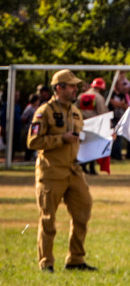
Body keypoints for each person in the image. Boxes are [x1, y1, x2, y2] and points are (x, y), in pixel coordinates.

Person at [26, 69, 96, 273]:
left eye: (75, 86)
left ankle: (75, 260)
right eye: (72, 86)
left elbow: (80, 138)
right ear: (59, 88)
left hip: (74, 171)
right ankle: (46, 263)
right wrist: (60, 139)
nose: (76, 89)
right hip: (51, 173)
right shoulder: (44, 112)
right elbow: (32, 141)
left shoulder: (75, 111)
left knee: (83, 212)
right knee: (48, 219)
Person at [78, 77, 109, 174]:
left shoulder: (81, 96)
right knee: (94, 147)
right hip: (94, 124)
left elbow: (75, 109)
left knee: (84, 146)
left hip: (82, 124)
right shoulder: (99, 98)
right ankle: (91, 167)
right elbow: (102, 112)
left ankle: (83, 165)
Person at [21, 93, 41, 161]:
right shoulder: (29, 108)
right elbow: (23, 117)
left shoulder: (37, 108)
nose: (39, 102)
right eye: (38, 100)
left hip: (36, 129)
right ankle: (27, 158)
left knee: (35, 142)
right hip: (29, 128)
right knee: (29, 144)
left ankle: (33, 157)